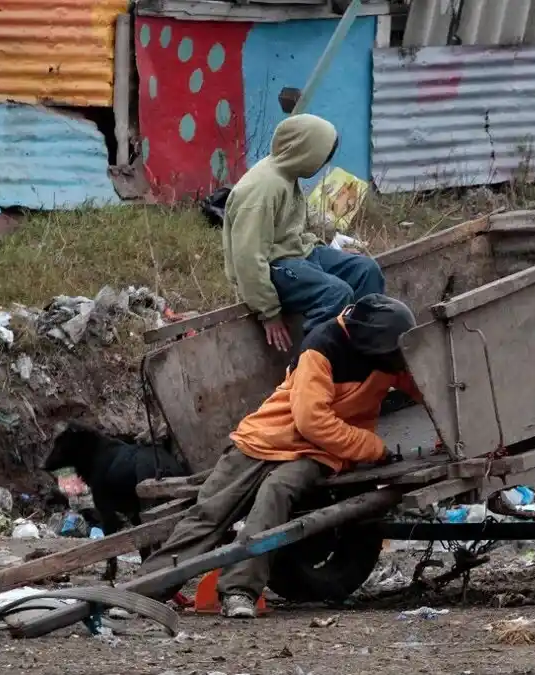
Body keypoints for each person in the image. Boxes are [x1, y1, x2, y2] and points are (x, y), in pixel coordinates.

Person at [137, 293, 420, 618]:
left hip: (317, 452)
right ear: (370, 344)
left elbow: (427, 384)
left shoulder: (387, 354)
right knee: (209, 513)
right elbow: (311, 420)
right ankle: (142, 591)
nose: (397, 361)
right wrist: (373, 448)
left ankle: (239, 591)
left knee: (276, 493)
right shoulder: (322, 348)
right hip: (266, 437)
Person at [223, 114, 385, 352]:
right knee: (336, 293)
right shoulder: (263, 190)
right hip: (274, 266)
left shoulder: (288, 175)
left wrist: (329, 252)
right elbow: (247, 258)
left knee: (366, 269)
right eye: (322, 156)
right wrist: (269, 312)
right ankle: (312, 363)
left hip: (297, 254)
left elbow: (293, 232)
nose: (323, 164)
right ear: (305, 152)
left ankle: (364, 349)